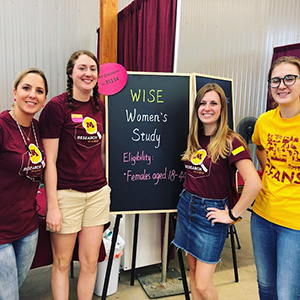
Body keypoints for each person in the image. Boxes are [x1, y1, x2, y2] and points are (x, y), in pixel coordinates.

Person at [173, 83, 262, 300]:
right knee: (193, 273)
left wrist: (232, 215)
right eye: (202, 103)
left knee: (203, 284)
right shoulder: (194, 137)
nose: (207, 108)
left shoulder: (231, 141)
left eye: (214, 103)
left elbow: (254, 183)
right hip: (186, 207)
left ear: (222, 108)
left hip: (211, 215)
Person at [39, 50, 110, 300]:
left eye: (92, 68)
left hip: (97, 194)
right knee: (62, 262)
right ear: (71, 73)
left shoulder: (100, 106)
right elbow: (50, 162)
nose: (87, 73)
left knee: (90, 263)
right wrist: (53, 206)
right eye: (82, 68)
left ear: (98, 75)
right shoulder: (56, 108)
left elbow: (102, 153)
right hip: (67, 195)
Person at [251, 56, 300, 300]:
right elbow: (258, 146)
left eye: (289, 78)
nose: (282, 85)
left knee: (288, 293)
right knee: (266, 285)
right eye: (275, 80)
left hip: (295, 224)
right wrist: (268, 164)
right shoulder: (265, 121)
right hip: (262, 215)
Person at [0, 68, 48, 299]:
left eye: (39, 91)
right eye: (26, 88)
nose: (32, 95)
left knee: (12, 288)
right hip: (1, 229)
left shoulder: (38, 130)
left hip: (28, 227)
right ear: (15, 92)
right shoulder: (1, 126)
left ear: (44, 100)